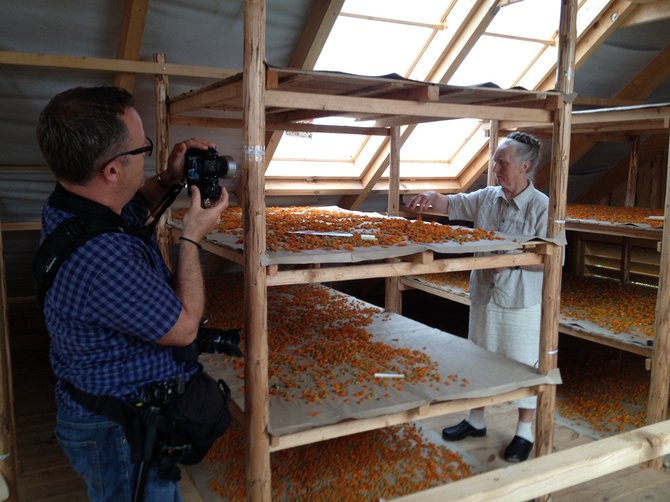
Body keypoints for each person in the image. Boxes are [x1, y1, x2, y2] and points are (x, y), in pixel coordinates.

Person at [35, 86, 229, 501]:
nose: (149, 154)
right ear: (111, 170)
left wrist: (169, 178)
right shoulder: (103, 258)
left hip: (109, 410)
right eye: (143, 148)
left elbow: (130, 211)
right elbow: (184, 328)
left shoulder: (72, 206)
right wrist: (192, 238)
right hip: (118, 430)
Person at [408, 131, 547, 463]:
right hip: (485, 295)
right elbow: (453, 204)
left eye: (503, 161)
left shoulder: (543, 206)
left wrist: (511, 263)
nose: (496, 167)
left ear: (525, 166)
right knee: (479, 358)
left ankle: (524, 432)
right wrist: (430, 197)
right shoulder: (488, 196)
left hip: (520, 300)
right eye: (496, 161)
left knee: (523, 364)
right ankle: (476, 420)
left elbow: (553, 261)